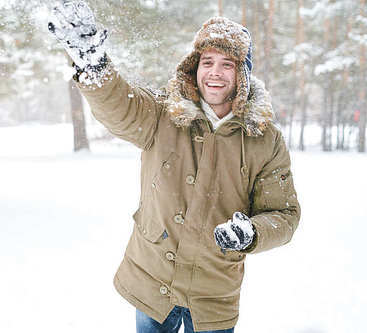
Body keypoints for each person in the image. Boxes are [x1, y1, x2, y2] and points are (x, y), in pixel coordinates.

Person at [49, 2, 301, 333]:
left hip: (214, 294)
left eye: (227, 64)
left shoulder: (264, 139)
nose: (215, 72)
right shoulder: (163, 114)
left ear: (242, 73)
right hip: (153, 282)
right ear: (194, 66)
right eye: (207, 62)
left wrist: (252, 233)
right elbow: (120, 106)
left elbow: (283, 214)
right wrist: (94, 66)